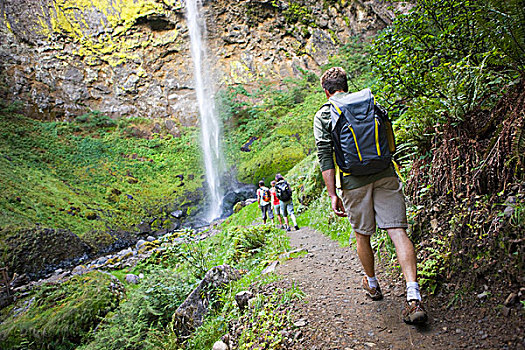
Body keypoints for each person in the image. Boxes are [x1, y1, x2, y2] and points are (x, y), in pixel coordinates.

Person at [313, 67, 428, 324]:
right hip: (385, 173)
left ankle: (373, 284)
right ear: (346, 84)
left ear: (326, 91)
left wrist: (333, 194)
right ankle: (413, 297)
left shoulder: (324, 114)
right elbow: (389, 137)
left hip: (354, 182)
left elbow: (325, 157)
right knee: (398, 231)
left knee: (362, 235)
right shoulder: (370, 102)